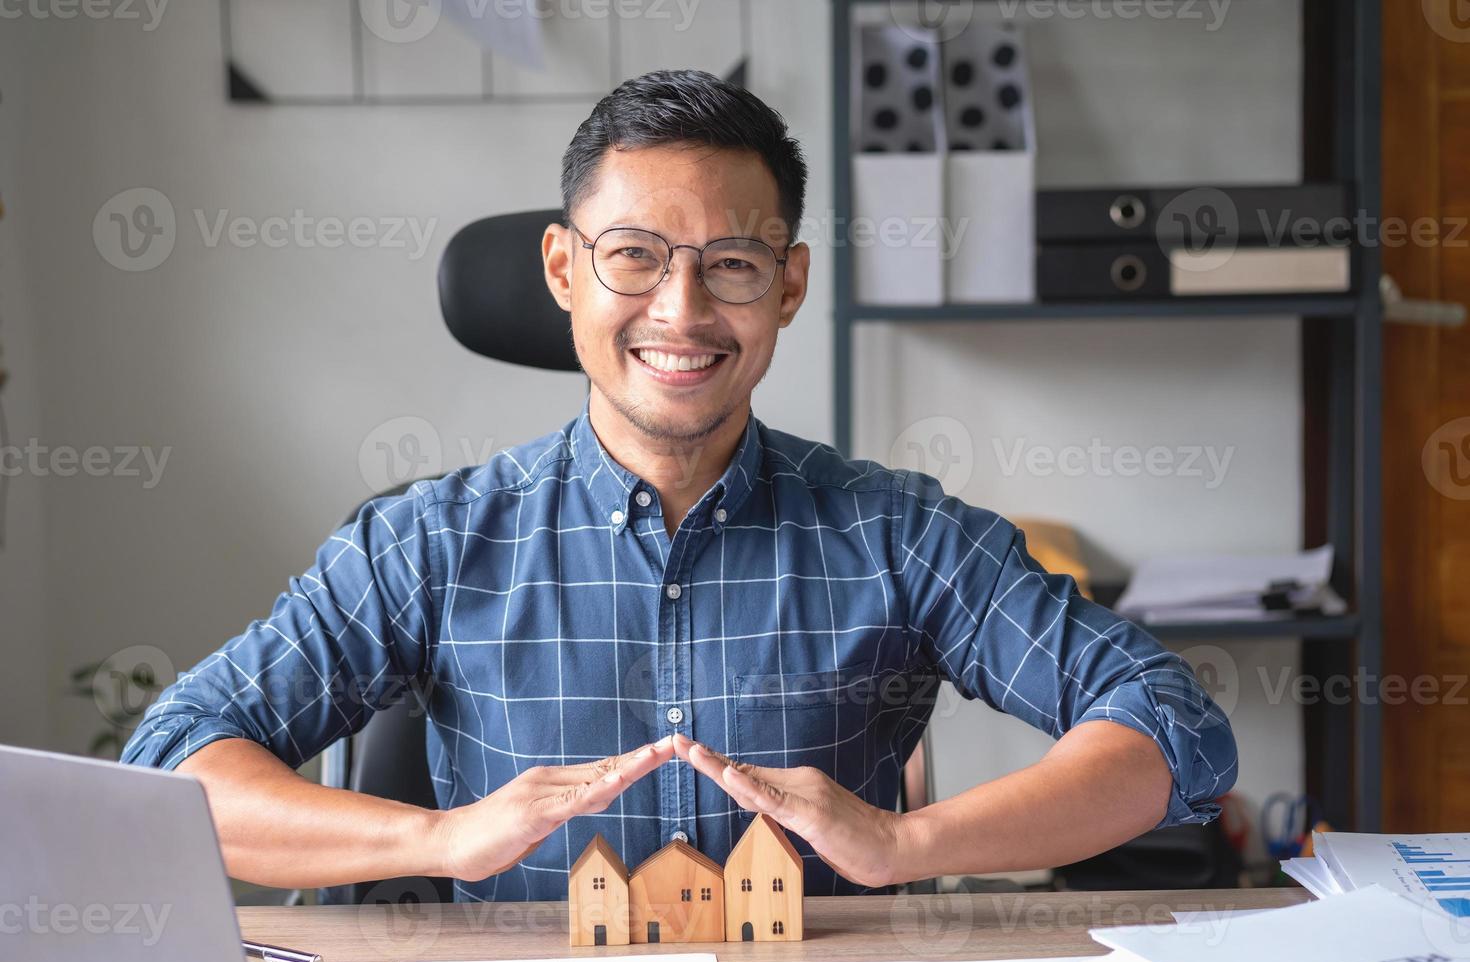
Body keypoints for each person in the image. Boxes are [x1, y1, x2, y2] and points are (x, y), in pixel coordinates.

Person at [122, 68, 1236, 901]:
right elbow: (175, 761)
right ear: (565, 269)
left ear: (789, 285)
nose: (683, 311)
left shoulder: (897, 532)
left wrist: (905, 844)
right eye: (636, 255)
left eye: (733, 265)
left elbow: (1173, 728)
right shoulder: (429, 542)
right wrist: (438, 837)